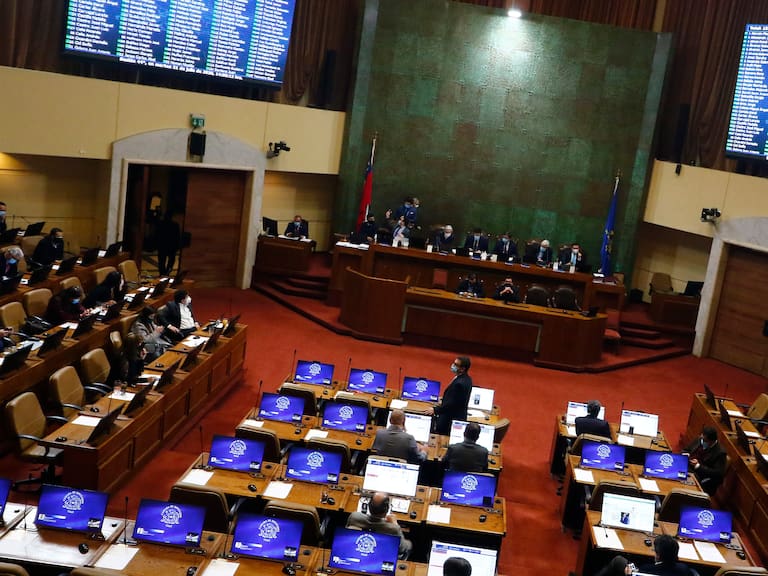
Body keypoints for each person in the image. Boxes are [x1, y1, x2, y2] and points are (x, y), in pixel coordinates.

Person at [346, 492, 413, 559]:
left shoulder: (354, 517)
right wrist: (395, 524)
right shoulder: (393, 529)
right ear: (387, 509)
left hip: (357, 554)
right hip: (381, 557)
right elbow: (402, 549)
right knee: (409, 544)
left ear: (369, 506)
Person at [595, 534, 694, 576]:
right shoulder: (685, 570)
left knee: (618, 560)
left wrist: (629, 574)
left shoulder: (647, 570)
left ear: (658, 555)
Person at [428, 356, 473, 436]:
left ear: (462, 369)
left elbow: (452, 405)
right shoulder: (467, 379)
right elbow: (457, 398)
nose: (453, 366)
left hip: (449, 420)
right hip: (458, 416)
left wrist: (435, 410)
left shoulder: (459, 383)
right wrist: (445, 398)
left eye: (456, 364)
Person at [684, 425, 727, 495]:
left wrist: (698, 466)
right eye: (701, 438)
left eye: (704, 441)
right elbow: (686, 449)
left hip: (699, 475)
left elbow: (718, 474)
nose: (702, 441)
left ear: (712, 441)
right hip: (687, 466)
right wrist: (686, 454)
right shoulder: (700, 439)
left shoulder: (720, 453)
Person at [156, 211, 181, 276]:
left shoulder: (160, 224)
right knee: (171, 260)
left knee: (162, 261)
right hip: (171, 245)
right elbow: (177, 236)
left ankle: (162, 273)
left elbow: (157, 235)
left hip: (163, 245)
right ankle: (167, 272)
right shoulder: (175, 225)